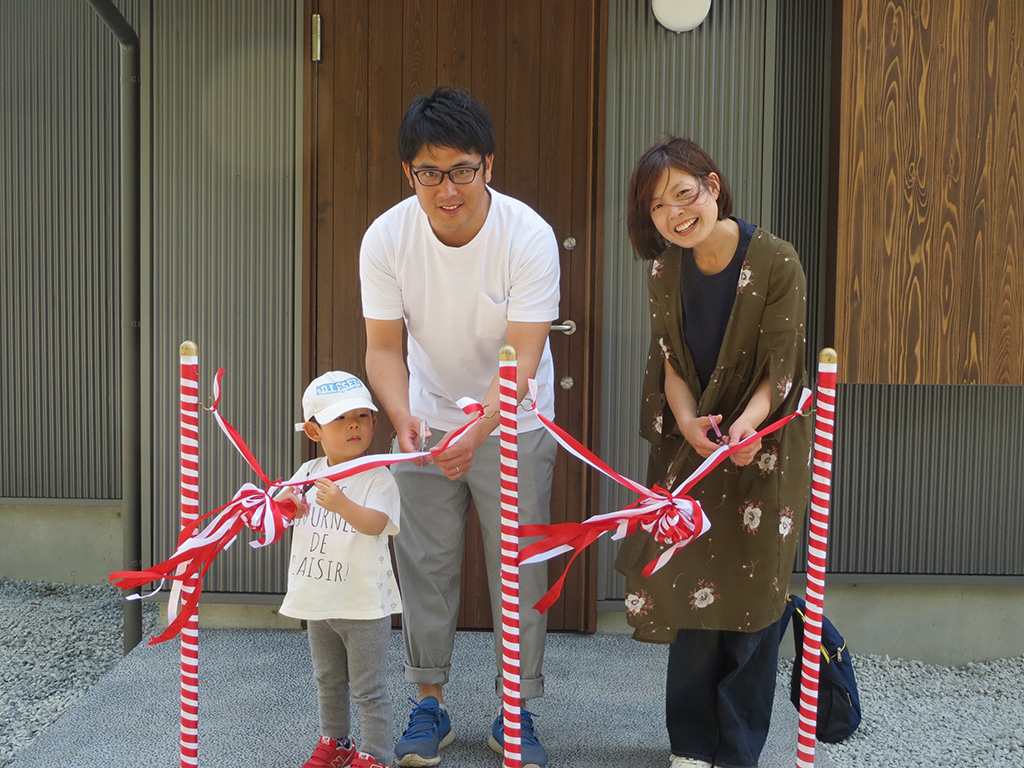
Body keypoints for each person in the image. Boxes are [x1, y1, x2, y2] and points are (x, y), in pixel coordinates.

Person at [360, 85, 560, 768]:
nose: (448, 188)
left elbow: (525, 358)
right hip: (423, 420)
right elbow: (384, 348)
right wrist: (403, 419)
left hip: (515, 423)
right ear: (407, 174)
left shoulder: (526, 236)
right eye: (430, 172)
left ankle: (518, 709)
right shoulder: (387, 237)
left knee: (518, 570)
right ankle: (429, 703)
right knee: (426, 567)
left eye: (462, 170)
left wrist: (477, 433)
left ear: (489, 166)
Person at [615, 136, 812, 768]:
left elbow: (780, 370)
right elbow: (670, 363)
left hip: (764, 448)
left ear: (713, 186)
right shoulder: (662, 269)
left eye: (683, 193)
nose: (675, 213)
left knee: (755, 599)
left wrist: (745, 432)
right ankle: (691, 745)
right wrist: (690, 423)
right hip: (691, 451)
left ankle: (737, 749)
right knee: (691, 592)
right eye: (657, 205)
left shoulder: (778, 260)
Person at [277, 371, 402, 768]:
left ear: (374, 424)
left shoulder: (378, 475)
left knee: (369, 688)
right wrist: (282, 507)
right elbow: (283, 517)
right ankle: (337, 741)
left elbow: (378, 524)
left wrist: (344, 506)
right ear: (314, 432)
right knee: (328, 680)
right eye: (340, 418)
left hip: (363, 603)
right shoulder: (308, 474)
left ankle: (376, 754)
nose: (353, 424)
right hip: (321, 600)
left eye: (362, 416)